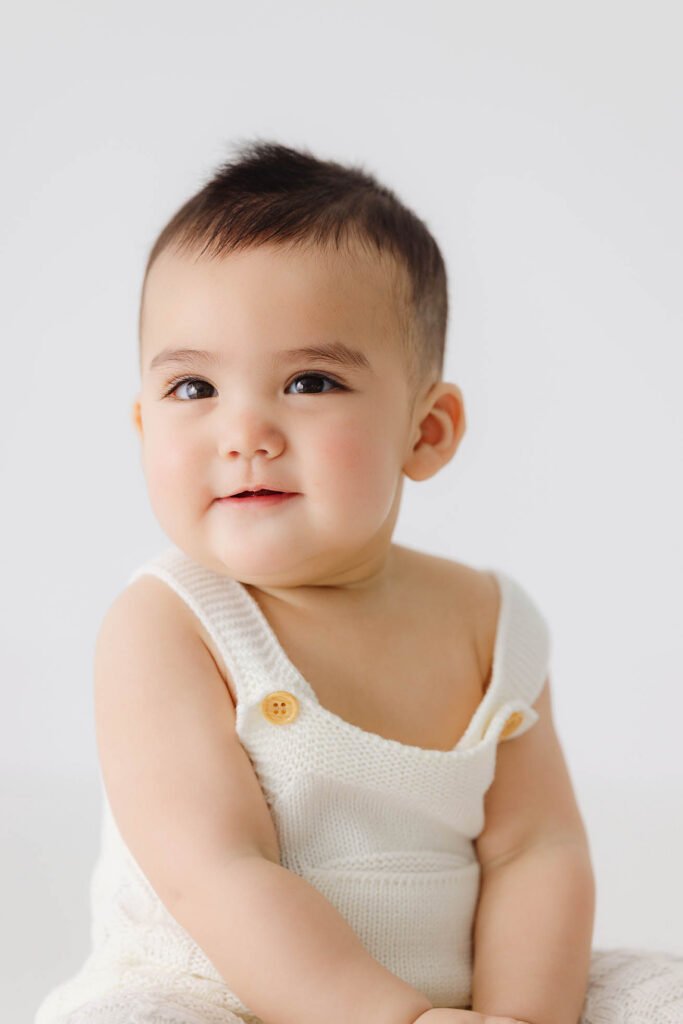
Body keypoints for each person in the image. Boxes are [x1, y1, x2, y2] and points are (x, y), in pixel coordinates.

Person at [35, 141, 682, 1024]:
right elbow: (216, 870)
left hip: (460, 997)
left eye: (309, 381)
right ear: (143, 423)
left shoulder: (488, 624)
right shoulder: (169, 624)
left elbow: (536, 850)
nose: (244, 432)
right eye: (193, 387)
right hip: (218, 992)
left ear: (427, 430)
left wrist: (519, 1018)